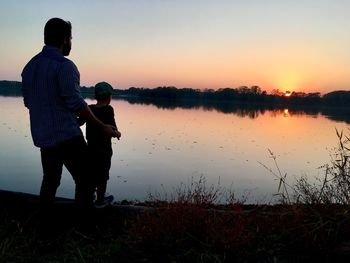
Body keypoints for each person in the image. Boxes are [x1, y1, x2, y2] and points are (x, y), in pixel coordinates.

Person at [21, 18, 118, 209]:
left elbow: (29, 103)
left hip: (43, 136)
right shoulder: (64, 66)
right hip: (66, 136)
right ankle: (82, 225)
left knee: (50, 180)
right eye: (71, 38)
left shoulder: (29, 67)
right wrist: (103, 126)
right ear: (65, 39)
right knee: (87, 179)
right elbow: (76, 103)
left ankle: (44, 225)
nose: (71, 43)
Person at [79, 82, 121, 208]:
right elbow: (112, 129)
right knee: (102, 176)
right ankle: (100, 200)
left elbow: (79, 122)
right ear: (109, 97)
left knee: (91, 173)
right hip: (104, 150)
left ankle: (89, 197)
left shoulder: (89, 109)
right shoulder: (109, 109)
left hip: (90, 148)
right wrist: (117, 133)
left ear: (95, 96)